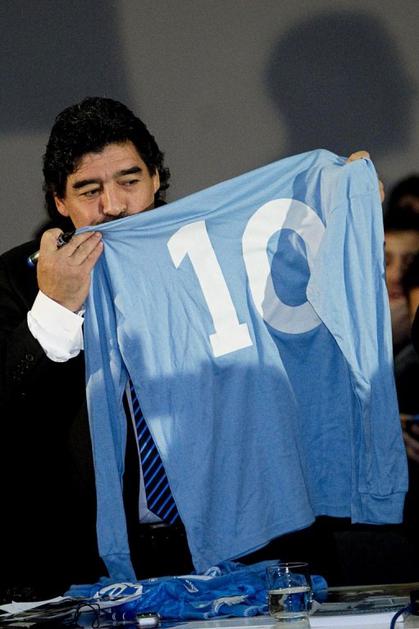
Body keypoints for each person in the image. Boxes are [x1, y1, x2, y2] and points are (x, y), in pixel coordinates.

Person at [0, 96, 380, 598]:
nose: (113, 205)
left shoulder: (226, 250)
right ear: (59, 202)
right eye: (89, 190)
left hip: (252, 548)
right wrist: (56, 308)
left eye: (129, 181)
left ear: (157, 178)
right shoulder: (20, 280)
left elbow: (313, 318)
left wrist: (343, 211)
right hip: (89, 569)